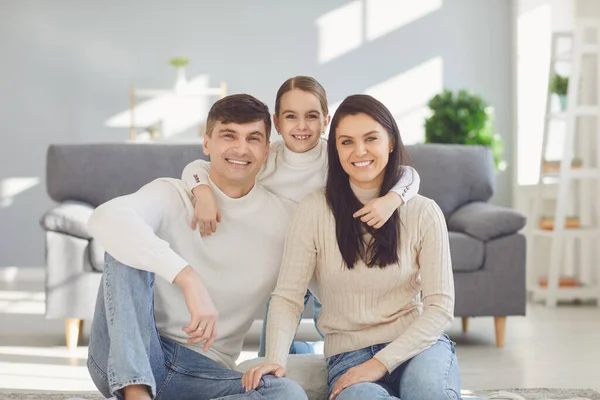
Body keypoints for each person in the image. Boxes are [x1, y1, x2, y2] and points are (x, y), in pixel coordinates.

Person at [86, 94, 308, 400]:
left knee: (286, 394)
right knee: (124, 243)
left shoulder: (285, 219)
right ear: (207, 143)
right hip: (128, 356)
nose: (241, 149)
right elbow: (104, 218)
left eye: (253, 138)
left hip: (204, 371)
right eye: (228, 135)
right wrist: (188, 279)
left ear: (266, 149)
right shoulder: (172, 194)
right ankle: (136, 393)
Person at [181, 76, 421, 357]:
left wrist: (392, 200)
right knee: (270, 354)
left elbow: (408, 174)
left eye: (312, 116)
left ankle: (319, 350)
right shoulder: (267, 158)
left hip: (329, 271)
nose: (302, 126)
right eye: (291, 117)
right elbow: (197, 166)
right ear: (277, 122)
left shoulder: (336, 158)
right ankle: (302, 350)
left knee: (343, 346)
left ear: (326, 120)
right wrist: (203, 193)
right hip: (285, 271)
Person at [242, 94, 461, 400]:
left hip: (417, 345)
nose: (359, 151)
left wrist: (379, 364)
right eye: (346, 142)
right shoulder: (314, 210)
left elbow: (440, 307)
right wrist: (275, 360)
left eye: (371, 138)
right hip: (348, 355)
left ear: (391, 142)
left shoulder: (423, 212)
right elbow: (289, 297)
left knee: (427, 391)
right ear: (335, 150)